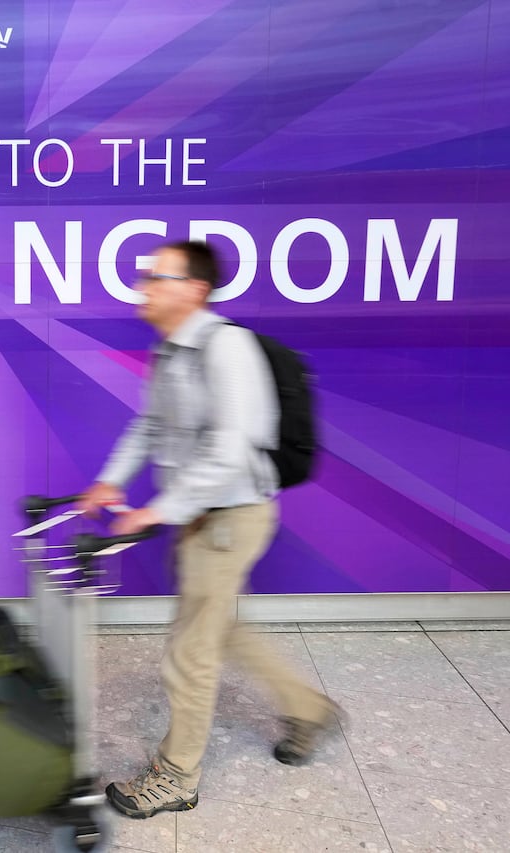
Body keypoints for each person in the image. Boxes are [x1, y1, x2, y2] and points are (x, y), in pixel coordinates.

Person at [79, 240, 341, 820]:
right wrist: (110, 481)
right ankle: (310, 708)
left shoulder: (228, 348)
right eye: (145, 276)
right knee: (216, 627)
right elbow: (149, 425)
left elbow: (230, 451)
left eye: (157, 277)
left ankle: (177, 777)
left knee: (189, 651)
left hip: (230, 519)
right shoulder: (170, 352)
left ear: (195, 288)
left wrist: (156, 510)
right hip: (200, 517)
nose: (143, 286)